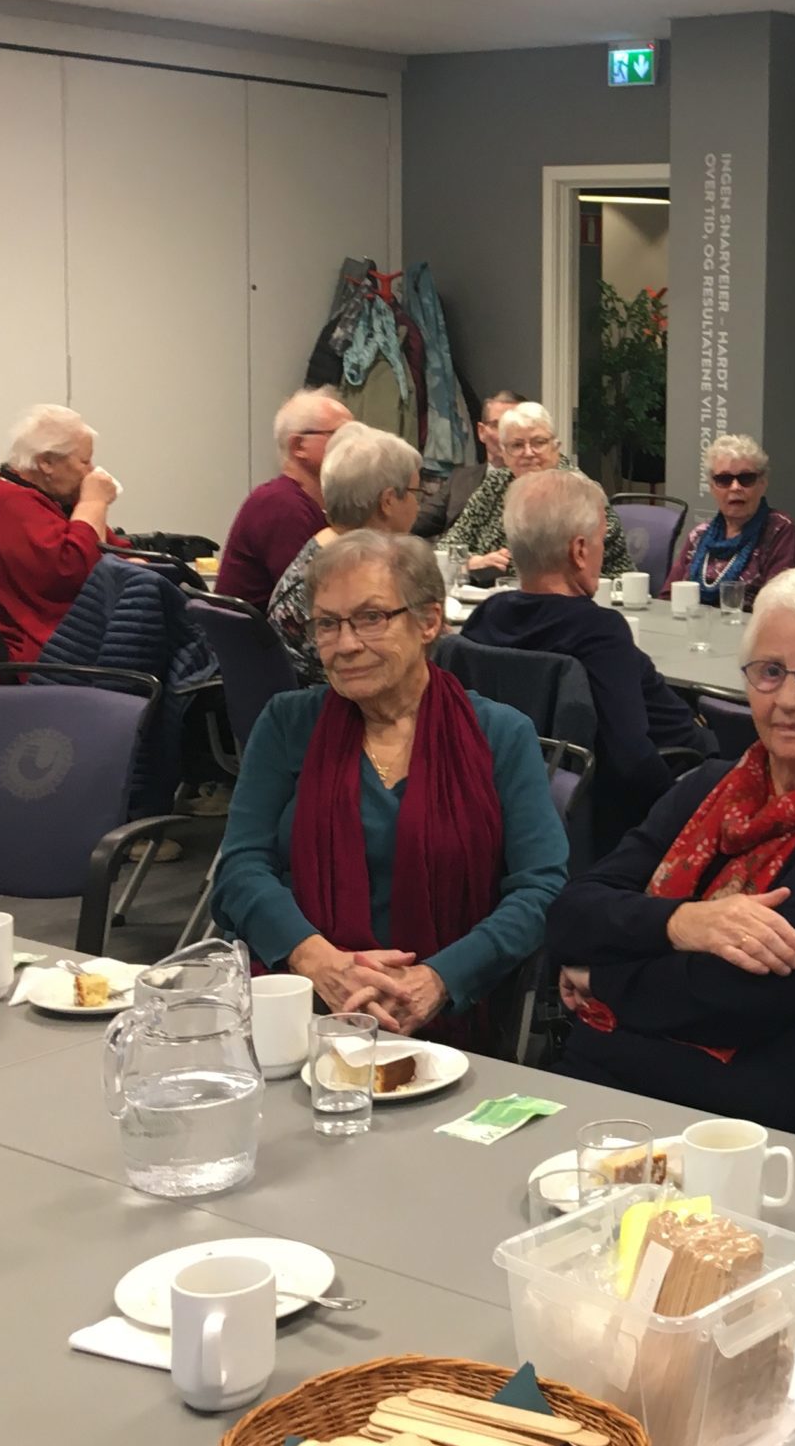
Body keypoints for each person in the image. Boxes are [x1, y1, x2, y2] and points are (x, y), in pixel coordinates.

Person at [544, 567, 795, 1144]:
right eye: (770, 672)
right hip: (621, 1071)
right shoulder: (710, 786)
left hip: (756, 1120)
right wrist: (682, 923)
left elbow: (737, 999)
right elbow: (571, 914)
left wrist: (600, 976)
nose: (789, 700)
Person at [208, 531, 567, 1049]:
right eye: (327, 624)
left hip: (447, 1025)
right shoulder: (288, 724)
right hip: (294, 1010)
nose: (346, 644)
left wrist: (438, 979)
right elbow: (240, 868)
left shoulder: (500, 735)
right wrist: (318, 961)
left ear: (428, 621)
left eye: (371, 617)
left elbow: (541, 888)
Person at [465, 470, 709, 844]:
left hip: (512, 808)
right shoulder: (598, 633)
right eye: (601, 541)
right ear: (579, 551)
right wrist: (674, 818)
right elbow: (631, 760)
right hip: (641, 800)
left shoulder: (486, 617)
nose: (601, 551)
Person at [0, 403, 125, 678]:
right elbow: (75, 572)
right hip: (7, 660)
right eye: (85, 461)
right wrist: (93, 502)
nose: (92, 472)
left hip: (13, 648)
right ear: (46, 463)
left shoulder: (34, 498)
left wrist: (132, 561)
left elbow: (105, 547)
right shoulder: (6, 505)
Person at [267, 423, 423, 680]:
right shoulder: (345, 578)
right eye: (416, 493)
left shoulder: (322, 550)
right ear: (388, 501)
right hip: (337, 699)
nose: (419, 506)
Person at [437, 401, 631, 579]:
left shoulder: (579, 492)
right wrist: (472, 562)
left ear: (555, 446)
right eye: (517, 445)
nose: (528, 453)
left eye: (539, 442)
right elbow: (446, 548)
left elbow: (551, 568)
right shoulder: (495, 484)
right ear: (504, 453)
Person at [215, 388, 350, 609]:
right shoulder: (281, 506)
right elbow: (317, 599)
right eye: (342, 435)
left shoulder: (292, 501)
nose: (356, 444)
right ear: (299, 446)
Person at [668, 434, 795, 602]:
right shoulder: (699, 535)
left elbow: (778, 604)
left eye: (746, 479)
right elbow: (667, 596)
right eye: (724, 479)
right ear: (712, 487)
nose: (735, 487)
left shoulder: (778, 529)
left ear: (762, 484)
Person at [424, 390, 518, 537]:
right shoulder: (460, 479)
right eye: (497, 425)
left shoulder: (540, 486)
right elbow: (416, 521)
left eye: (514, 426)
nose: (506, 435)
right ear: (481, 432)